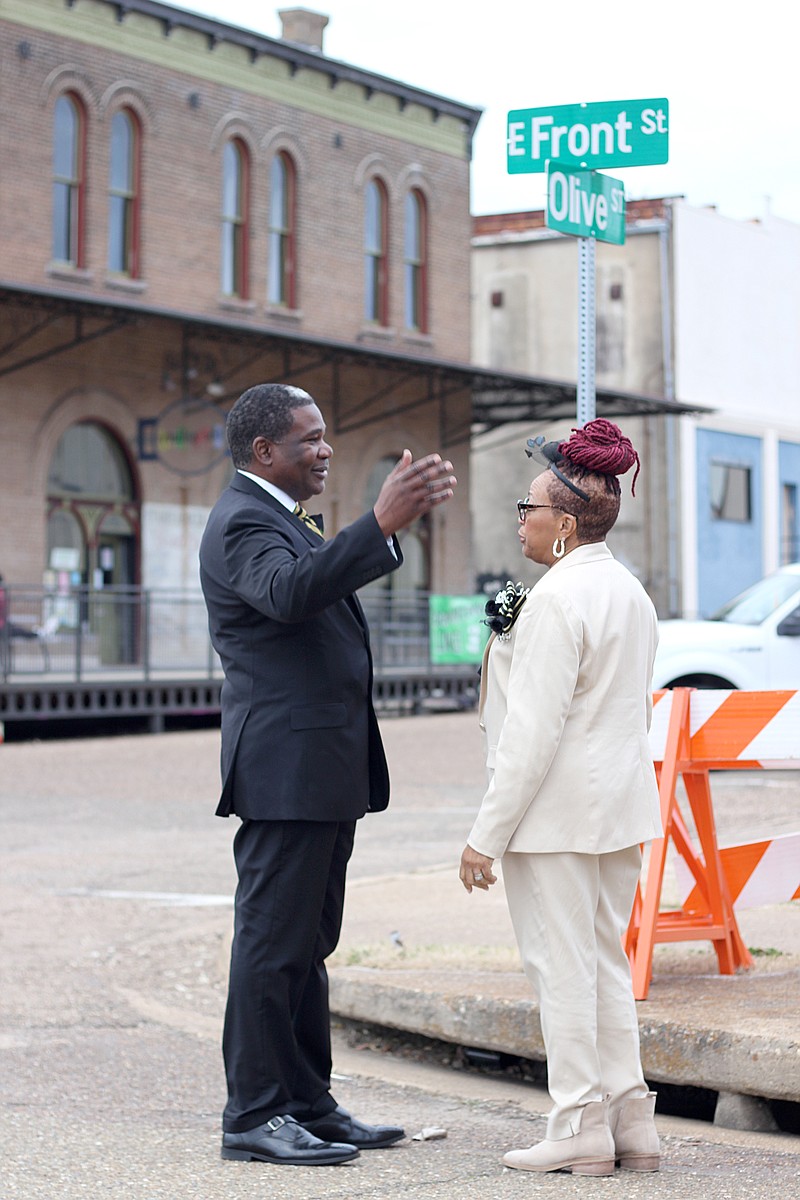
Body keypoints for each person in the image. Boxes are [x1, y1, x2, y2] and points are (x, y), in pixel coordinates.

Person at [199, 382, 456, 1166]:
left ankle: (309, 1102)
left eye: (325, 435)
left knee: (307, 945)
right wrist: (377, 523)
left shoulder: (280, 515)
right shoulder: (244, 519)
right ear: (263, 452)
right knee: (271, 947)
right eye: (308, 438)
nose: (325, 449)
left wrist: (371, 534)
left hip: (319, 768)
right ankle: (254, 1114)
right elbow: (287, 595)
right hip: (285, 770)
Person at [459, 418, 663, 1177]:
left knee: (561, 969)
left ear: (565, 524)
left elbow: (531, 734)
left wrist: (486, 835)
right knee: (604, 961)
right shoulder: (628, 591)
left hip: (555, 816)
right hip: (617, 809)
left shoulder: (556, 600)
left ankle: (576, 1121)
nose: (521, 517)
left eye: (529, 506)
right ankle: (629, 1119)